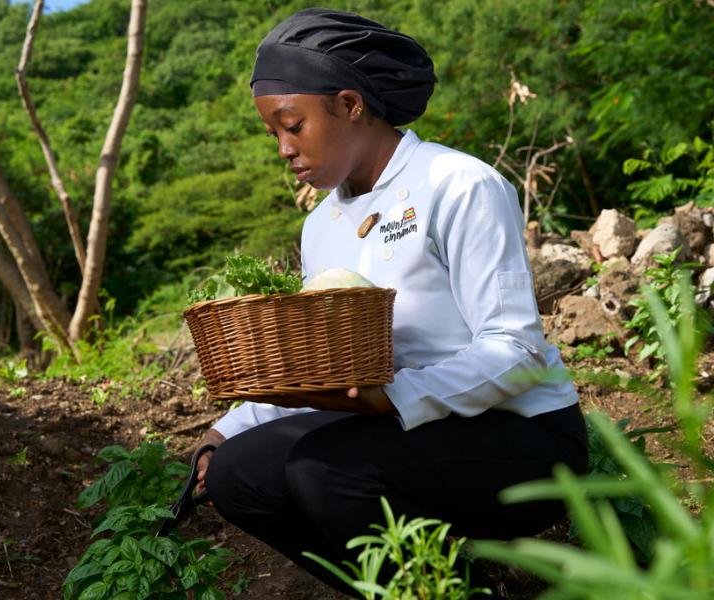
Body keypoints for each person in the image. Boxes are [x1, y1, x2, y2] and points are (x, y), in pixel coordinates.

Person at [194, 7, 588, 597]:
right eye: (272, 133)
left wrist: (394, 397)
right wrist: (227, 430)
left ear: (351, 105)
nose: (282, 148)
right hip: (399, 433)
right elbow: (318, 361)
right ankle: (437, 588)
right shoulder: (321, 225)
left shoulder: (458, 184)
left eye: (292, 125)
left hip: (522, 437)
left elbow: (517, 351)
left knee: (325, 467)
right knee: (239, 474)